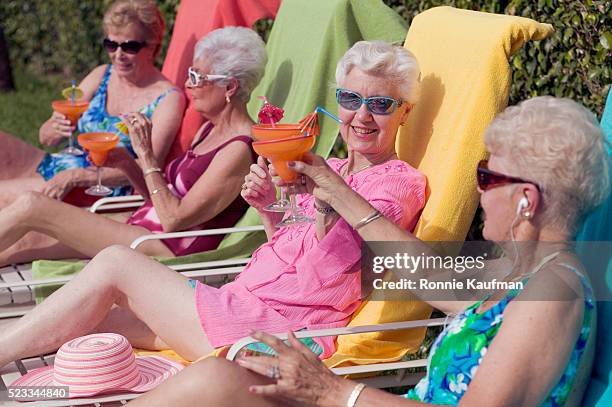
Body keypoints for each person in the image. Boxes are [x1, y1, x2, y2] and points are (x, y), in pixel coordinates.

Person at [126, 96, 610, 407]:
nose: (478, 192)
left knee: (216, 384)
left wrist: (334, 390)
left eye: (487, 177)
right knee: (221, 379)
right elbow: (423, 273)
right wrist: (334, 188)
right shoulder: (528, 272)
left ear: (528, 199)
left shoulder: (552, 294)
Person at [0, 41, 426, 366]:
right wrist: (267, 209)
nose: (362, 116)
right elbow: (290, 261)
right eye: (351, 100)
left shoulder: (397, 184)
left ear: (404, 113)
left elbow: (328, 281)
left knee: (115, 262)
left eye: (381, 104)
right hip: (238, 302)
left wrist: (325, 202)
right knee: (89, 317)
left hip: (272, 333)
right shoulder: (328, 165)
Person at [0, 26, 262, 265]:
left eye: (197, 76)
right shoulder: (210, 129)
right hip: (143, 227)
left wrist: (146, 156)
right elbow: (160, 199)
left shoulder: (238, 150)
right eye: (189, 74)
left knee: (32, 206)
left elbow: (174, 219)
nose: (188, 83)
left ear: (229, 86)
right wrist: (127, 162)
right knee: (28, 239)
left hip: (163, 247)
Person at [0, 0, 184, 205]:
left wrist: (76, 177)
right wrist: (54, 129)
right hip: (59, 170)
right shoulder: (102, 74)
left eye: (130, 46)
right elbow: (46, 137)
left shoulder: (167, 99)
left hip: (102, 191)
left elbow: (150, 167)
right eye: (111, 45)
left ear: (153, 46)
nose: (118, 55)